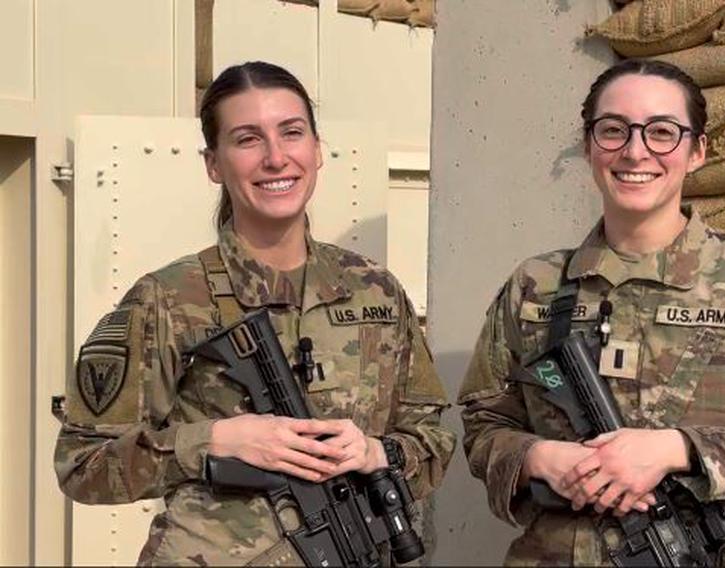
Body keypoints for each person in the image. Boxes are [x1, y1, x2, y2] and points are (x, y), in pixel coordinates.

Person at [55, 61, 455, 566]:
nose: (276, 157)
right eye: (247, 139)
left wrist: (377, 453)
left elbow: (434, 439)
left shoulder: (374, 289)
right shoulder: (166, 299)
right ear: (213, 164)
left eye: (292, 133)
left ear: (316, 149)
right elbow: (83, 465)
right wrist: (215, 441)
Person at [458, 59, 725, 566]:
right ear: (589, 146)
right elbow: (483, 424)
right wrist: (539, 457)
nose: (635, 150)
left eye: (662, 132)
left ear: (697, 151)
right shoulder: (537, 285)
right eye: (614, 130)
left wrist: (677, 450)